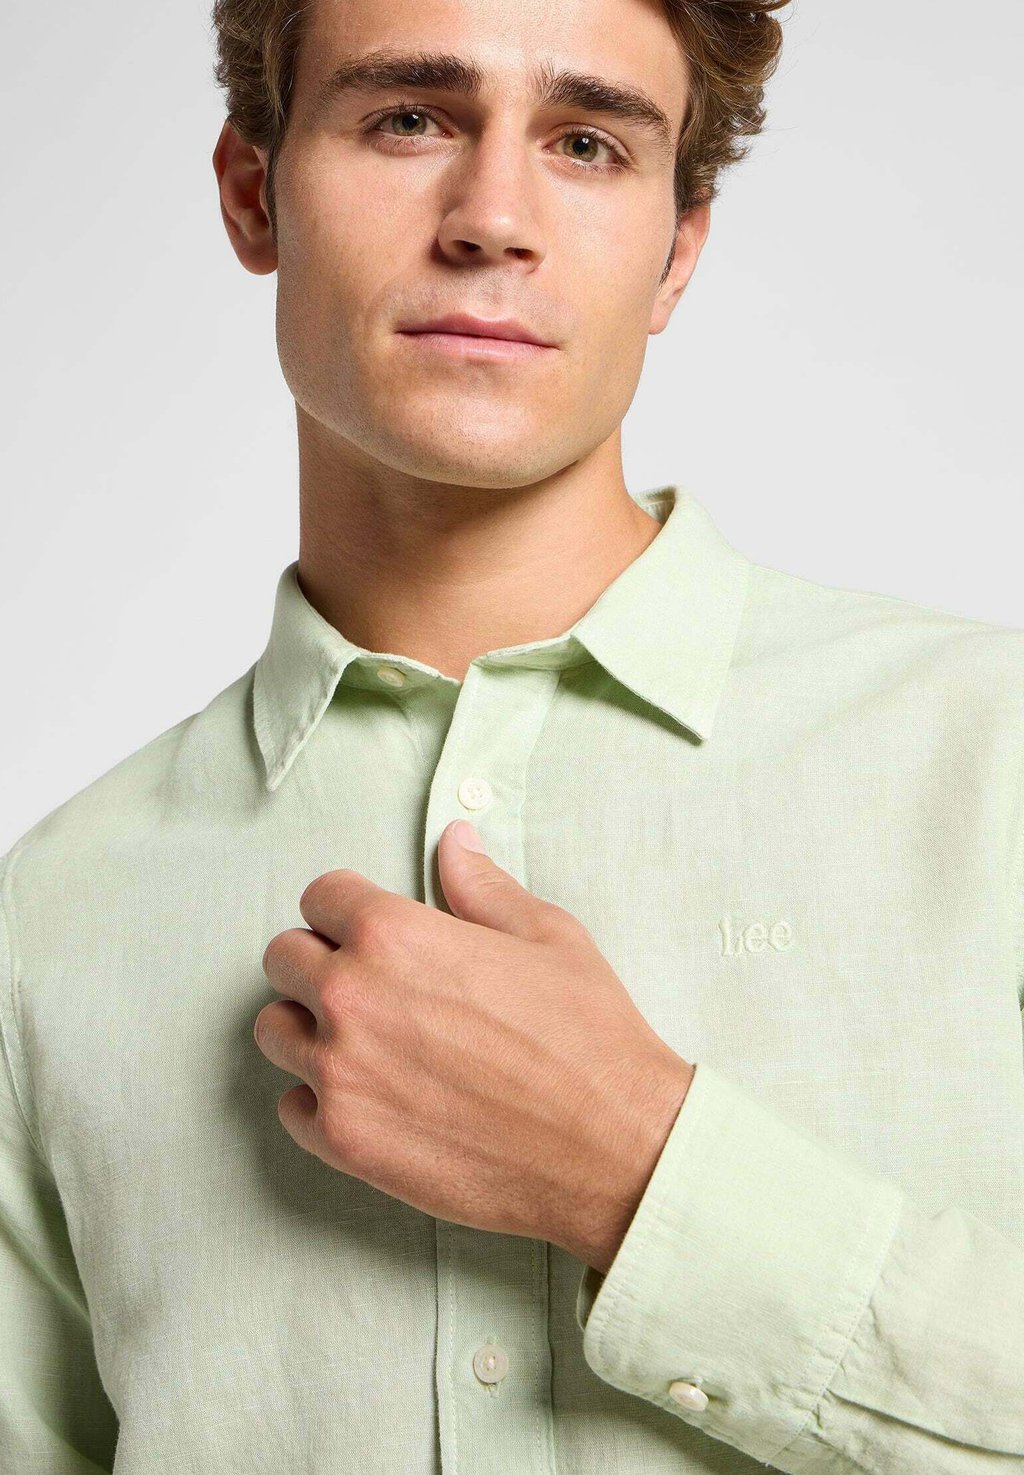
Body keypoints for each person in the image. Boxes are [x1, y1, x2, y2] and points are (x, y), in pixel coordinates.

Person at [1, 0, 1021, 1470]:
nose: (492, 219)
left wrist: (637, 1172)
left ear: (677, 250)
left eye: (588, 143)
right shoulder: (48, 919)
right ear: (252, 193)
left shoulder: (995, 762)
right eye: (408, 118)